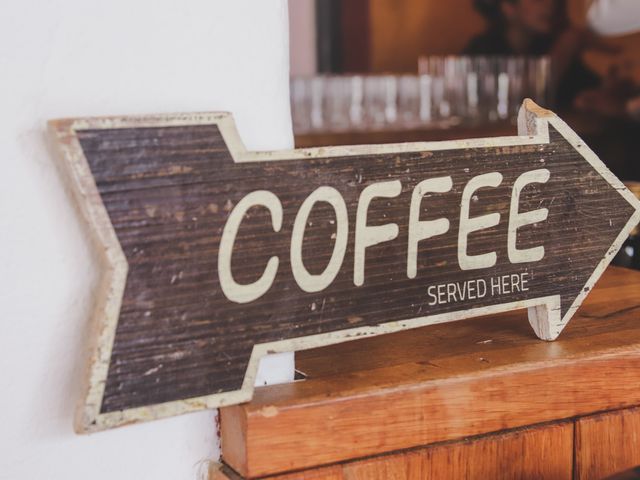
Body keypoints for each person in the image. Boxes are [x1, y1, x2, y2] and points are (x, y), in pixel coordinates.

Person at [464, 0, 609, 109]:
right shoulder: (483, 51)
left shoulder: (545, 45)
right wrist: (566, 46)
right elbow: (514, 106)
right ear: (508, 8)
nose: (549, 5)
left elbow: (589, 89)